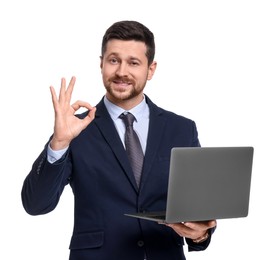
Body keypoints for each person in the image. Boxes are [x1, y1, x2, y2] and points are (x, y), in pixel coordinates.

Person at [21, 20, 217, 260]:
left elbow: (198, 210)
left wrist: (200, 235)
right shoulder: (76, 129)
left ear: (151, 69)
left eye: (133, 63)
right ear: (101, 63)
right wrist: (59, 143)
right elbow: (36, 204)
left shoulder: (181, 129)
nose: (122, 71)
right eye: (113, 60)